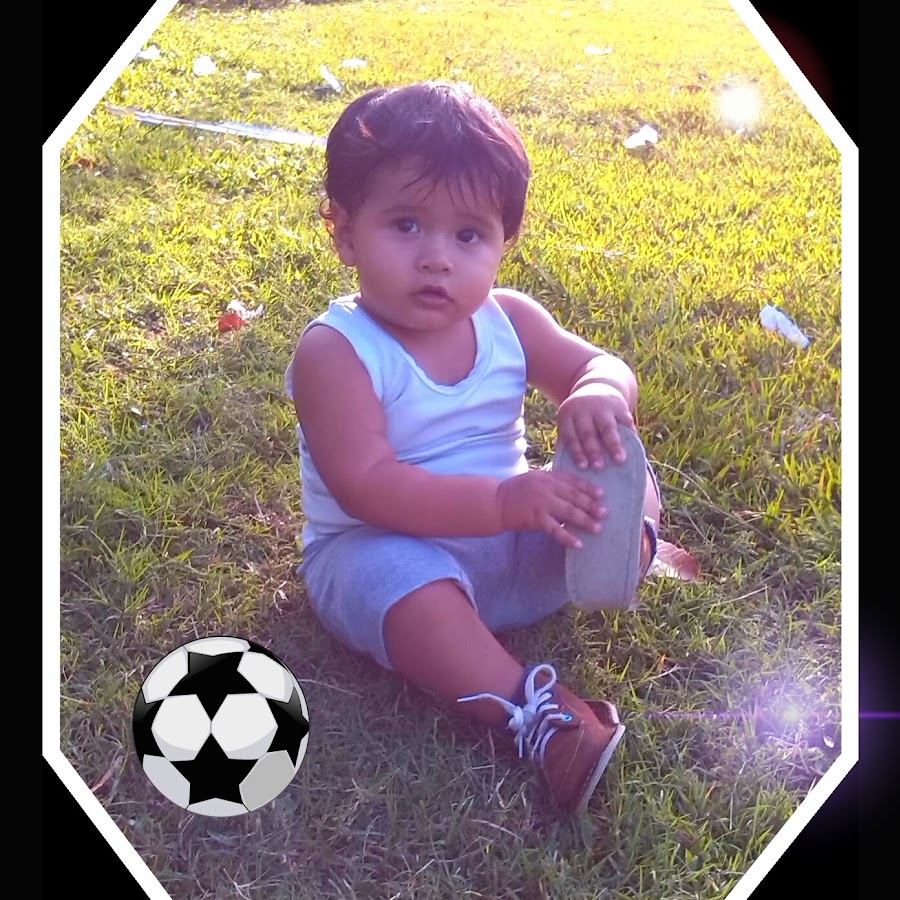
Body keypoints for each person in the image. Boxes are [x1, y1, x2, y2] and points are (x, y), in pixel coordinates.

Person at [286, 81, 662, 816]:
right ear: (345, 231)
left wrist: (597, 391)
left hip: (512, 544)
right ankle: (534, 712)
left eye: (468, 235)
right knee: (403, 589)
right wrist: (501, 502)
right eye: (406, 225)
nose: (437, 258)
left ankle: (625, 547)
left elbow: (601, 364)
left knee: (622, 465)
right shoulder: (336, 351)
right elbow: (369, 484)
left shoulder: (508, 320)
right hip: (384, 550)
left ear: (502, 244)